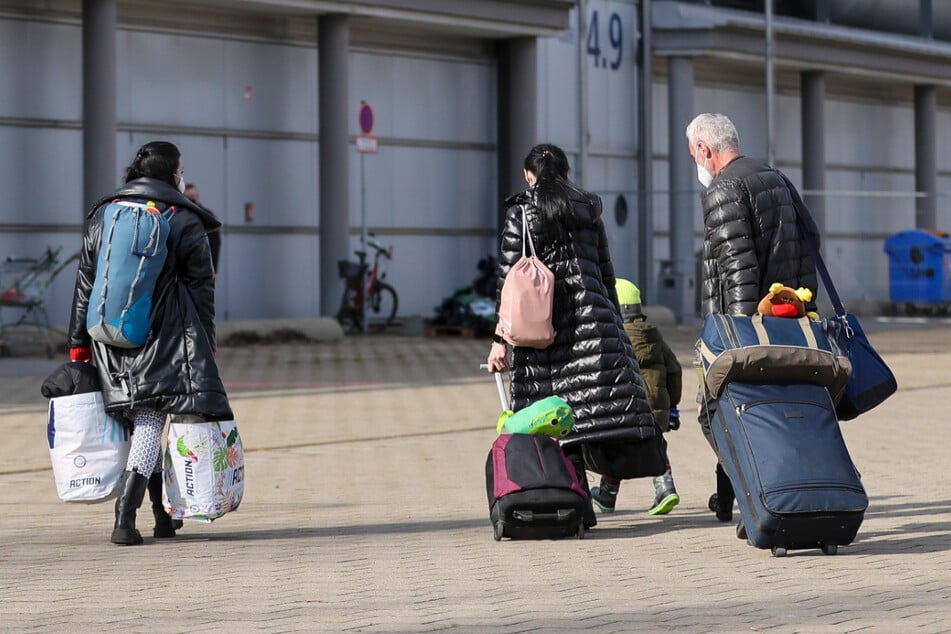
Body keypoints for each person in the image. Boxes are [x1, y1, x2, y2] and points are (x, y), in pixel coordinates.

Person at [67, 141, 232, 545]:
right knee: (150, 420)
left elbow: (86, 282)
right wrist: (206, 345)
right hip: (162, 337)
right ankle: (125, 518)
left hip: (106, 335)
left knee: (142, 418)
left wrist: (77, 343)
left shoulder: (105, 214)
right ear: (172, 173)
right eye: (181, 169)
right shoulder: (184, 220)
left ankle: (162, 517)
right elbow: (201, 291)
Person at [485, 143, 656, 529]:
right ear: (565, 174)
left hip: (545, 328)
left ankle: (571, 501)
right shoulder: (589, 209)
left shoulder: (522, 213)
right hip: (595, 322)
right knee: (590, 417)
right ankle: (589, 499)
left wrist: (499, 339)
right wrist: (613, 319)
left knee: (553, 416)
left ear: (529, 175)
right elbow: (606, 272)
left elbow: (508, 281)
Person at [686, 113, 820, 523]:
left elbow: (738, 268)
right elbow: (811, 237)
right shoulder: (777, 178)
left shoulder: (725, 188)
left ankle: (754, 496)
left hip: (749, 328)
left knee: (716, 411)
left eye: (694, 153)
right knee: (782, 410)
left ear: (704, 150)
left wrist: (740, 336)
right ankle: (742, 496)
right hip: (794, 319)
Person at [589, 279, 682, 516]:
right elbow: (674, 370)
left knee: (617, 449)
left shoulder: (612, 337)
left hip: (625, 409)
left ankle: (608, 495)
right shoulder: (653, 335)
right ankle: (665, 487)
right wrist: (672, 405)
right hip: (656, 408)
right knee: (655, 447)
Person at [183, 182, 222, 276]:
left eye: (193, 196)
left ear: (198, 197)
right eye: (188, 197)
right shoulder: (180, 216)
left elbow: (215, 243)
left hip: (202, 265)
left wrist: (214, 269)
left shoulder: (207, 216)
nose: (191, 200)